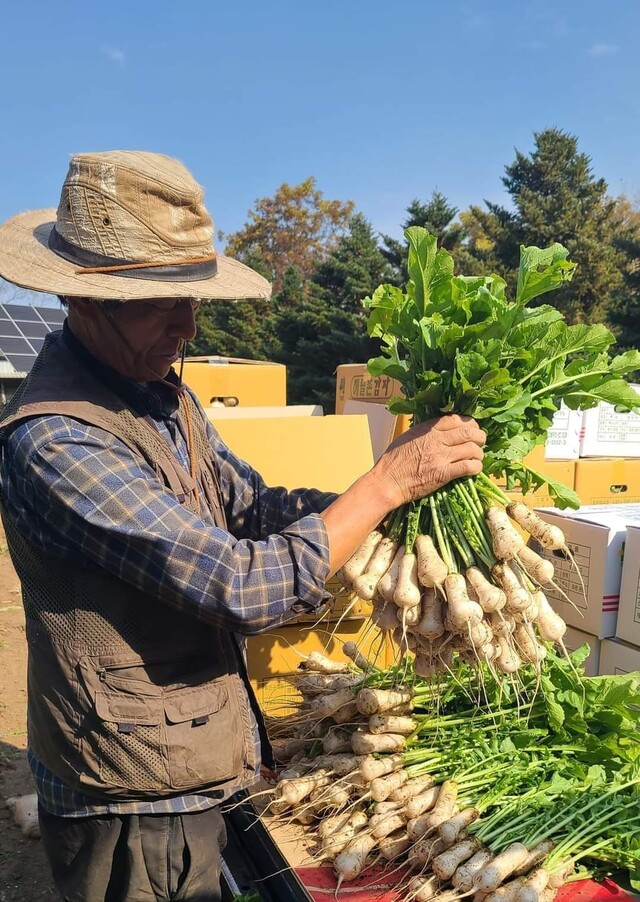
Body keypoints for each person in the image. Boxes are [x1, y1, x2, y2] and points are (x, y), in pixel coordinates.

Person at [0, 151, 486, 902]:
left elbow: (250, 507)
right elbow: (239, 585)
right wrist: (385, 484)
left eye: (195, 301)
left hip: (184, 752)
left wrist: (395, 508)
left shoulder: (158, 394)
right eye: (164, 303)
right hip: (132, 794)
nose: (189, 325)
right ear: (87, 300)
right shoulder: (59, 441)